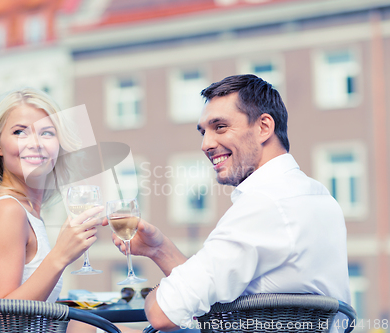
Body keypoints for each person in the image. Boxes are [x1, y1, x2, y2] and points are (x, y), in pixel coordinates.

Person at [108, 74, 351, 331]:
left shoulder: (263, 204)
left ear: (263, 127)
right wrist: (159, 250)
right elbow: (215, 288)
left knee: (87, 327)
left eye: (220, 127)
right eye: (203, 132)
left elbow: (162, 313)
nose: (206, 144)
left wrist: (161, 290)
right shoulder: (318, 196)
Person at [0, 88, 102, 331]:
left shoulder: (27, 210)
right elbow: (1, 322)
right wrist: (61, 256)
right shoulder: (8, 211)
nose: (35, 143)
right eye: (19, 132)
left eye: (47, 132)